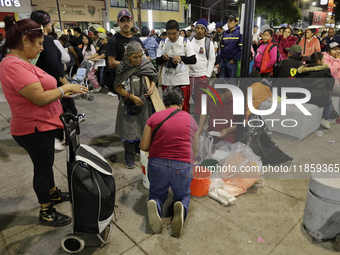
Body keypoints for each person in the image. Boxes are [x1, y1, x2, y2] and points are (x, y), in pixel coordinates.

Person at [0, 15, 89, 226]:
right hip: (33, 128)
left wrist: (64, 92)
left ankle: (53, 194)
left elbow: (43, 89)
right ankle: (46, 211)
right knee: (42, 168)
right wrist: (65, 88)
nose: (41, 49)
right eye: (39, 43)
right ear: (24, 41)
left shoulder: (22, 62)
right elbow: (39, 97)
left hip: (43, 125)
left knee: (46, 165)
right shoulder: (13, 65)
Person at [140, 86, 199, 238]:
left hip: (157, 164)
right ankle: (180, 205)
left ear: (164, 102)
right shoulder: (191, 120)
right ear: (182, 102)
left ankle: (155, 202)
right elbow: (195, 150)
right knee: (183, 195)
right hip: (182, 165)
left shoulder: (154, 118)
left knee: (157, 193)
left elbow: (144, 146)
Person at [30, 10, 86, 151]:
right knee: (62, 107)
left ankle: (58, 135)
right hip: (53, 81)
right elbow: (53, 64)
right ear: (44, 24)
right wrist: (67, 84)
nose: (52, 24)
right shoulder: (46, 40)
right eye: (50, 22)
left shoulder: (32, 40)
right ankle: (60, 136)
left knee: (54, 107)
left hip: (39, 81)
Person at [114, 41, 158, 168]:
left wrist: (152, 87)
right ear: (128, 56)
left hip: (144, 102)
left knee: (143, 126)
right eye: (135, 57)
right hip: (128, 103)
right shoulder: (123, 67)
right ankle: (128, 154)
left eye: (140, 56)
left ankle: (140, 149)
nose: (139, 59)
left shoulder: (145, 63)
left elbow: (154, 76)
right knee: (129, 128)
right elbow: (117, 87)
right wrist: (131, 97)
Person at [156, 19, 197, 113]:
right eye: (169, 34)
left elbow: (193, 60)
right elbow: (157, 61)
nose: (171, 36)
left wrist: (181, 58)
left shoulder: (185, 42)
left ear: (179, 31)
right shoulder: (163, 43)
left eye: (174, 33)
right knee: (168, 107)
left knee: (183, 107)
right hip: (167, 81)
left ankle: (183, 126)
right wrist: (163, 58)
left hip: (181, 81)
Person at [106, 9, 147, 97]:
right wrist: (130, 64)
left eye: (128, 20)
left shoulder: (137, 40)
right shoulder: (113, 40)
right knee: (126, 108)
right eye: (123, 21)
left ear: (132, 22)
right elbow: (111, 63)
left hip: (139, 80)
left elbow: (147, 57)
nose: (126, 23)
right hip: (123, 83)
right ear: (118, 23)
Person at [296, 52, 334, 129]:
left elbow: (298, 83)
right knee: (329, 99)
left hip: (303, 97)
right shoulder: (325, 70)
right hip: (319, 98)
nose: (324, 61)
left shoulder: (302, 71)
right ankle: (325, 119)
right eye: (322, 59)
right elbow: (330, 85)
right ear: (318, 61)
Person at [188, 18, 215, 121]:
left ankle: (198, 116)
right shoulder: (189, 40)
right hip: (189, 75)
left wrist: (207, 75)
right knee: (187, 97)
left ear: (205, 31)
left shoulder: (208, 42)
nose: (199, 30)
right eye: (197, 28)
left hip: (202, 74)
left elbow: (212, 59)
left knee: (201, 98)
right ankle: (185, 115)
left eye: (201, 28)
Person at [215, 15, 242, 83]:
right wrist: (219, 61)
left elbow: (241, 48)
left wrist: (234, 60)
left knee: (232, 83)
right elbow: (222, 47)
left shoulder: (239, 33)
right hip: (223, 61)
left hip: (232, 62)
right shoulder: (225, 33)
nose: (228, 23)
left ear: (236, 22)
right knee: (222, 83)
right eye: (228, 21)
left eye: (231, 21)